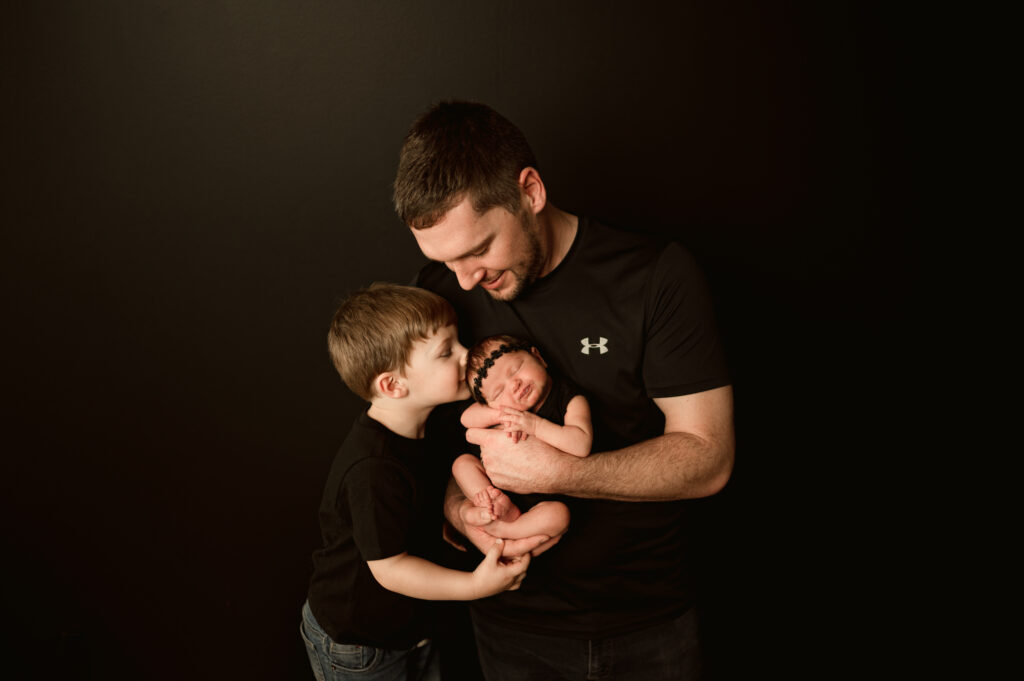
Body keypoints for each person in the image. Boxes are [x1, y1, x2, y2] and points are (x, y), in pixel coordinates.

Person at [393, 101, 735, 680]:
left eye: (478, 250)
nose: (466, 279)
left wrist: (560, 472)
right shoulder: (442, 293)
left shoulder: (654, 276)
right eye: (446, 261)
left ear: (530, 191)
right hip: (509, 622)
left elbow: (709, 457)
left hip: (648, 621)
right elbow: (431, 449)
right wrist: (461, 511)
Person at [301, 283, 532, 681]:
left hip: (410, 625)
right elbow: (390, 569)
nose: (466, 353)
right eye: (446, 351)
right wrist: (476, 585)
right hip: (360, 643)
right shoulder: (373, 468)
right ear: (392, 385)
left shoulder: (424, 430)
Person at [452, 333, 592, 554]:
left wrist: (534, 426)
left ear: (538, 357)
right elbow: (466, 419)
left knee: (559, 515)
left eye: (516, 369)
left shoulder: (569, 399)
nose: (514, 385)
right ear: (491, 403)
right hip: (501, 491)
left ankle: (506, 530)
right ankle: (489, 502)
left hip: (541, 503)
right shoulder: (508, 411)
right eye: (499, 391)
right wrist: (503, 414)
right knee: (462, 464)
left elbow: (581, 444)